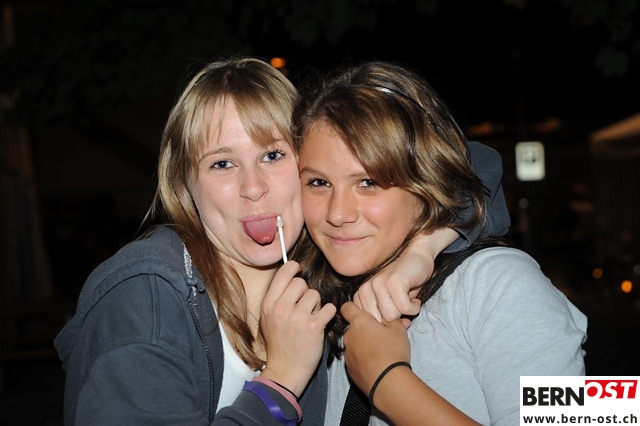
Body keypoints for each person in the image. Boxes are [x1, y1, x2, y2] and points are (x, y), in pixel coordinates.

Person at [52, 56, 507, 425]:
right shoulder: (151, 295)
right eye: (222, 164)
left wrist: (423, 249)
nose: (253, 187)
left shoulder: (495, 284)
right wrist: (281, 382)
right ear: (185, 184)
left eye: (273, 155)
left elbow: (478, 168)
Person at [290, 60, 588, 425]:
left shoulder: (502, 282)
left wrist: (388, 383)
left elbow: (593, 414)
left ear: (425, 183)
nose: (337, 214)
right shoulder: (309, 304)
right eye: (319, 183)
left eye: (369, 182)